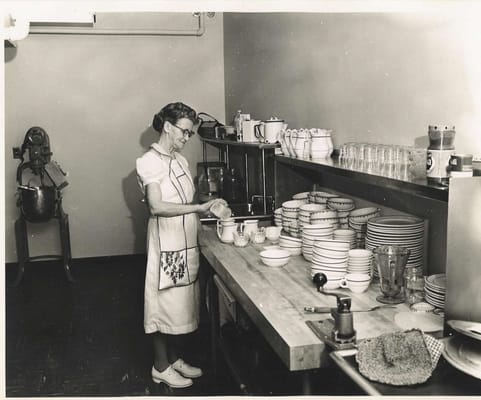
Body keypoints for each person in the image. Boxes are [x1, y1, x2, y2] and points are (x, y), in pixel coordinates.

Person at [136, 102, 226, 388]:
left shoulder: (180, 160)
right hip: (167, 242)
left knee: (183, 304)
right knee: (164, 305)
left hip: (186, 240)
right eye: (185, 132)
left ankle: (175, 359)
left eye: (190, 133)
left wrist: (209, 206)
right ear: (168, 127)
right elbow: (156, 206)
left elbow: (189, 201)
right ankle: (160, 366)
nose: (188, 138)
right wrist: (198, 209)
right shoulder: (148, 162)